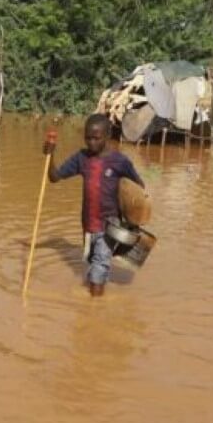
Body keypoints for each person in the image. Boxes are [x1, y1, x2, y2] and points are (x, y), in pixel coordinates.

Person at [47, 113, 144, 296]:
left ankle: (94, 309)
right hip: (88, 224)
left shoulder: (119, 161)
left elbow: (138, 189)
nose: (91, 142)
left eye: (96, 138)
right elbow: (54, 177)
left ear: (107, 136)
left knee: (97, 270)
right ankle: (99, 301)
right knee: (94, 264)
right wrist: (50, 155)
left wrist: (134, 218)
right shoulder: (81, 158)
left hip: (109, 226)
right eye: (88, 138)